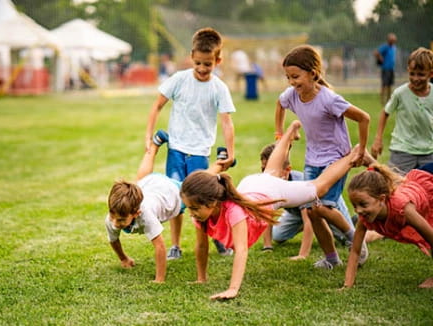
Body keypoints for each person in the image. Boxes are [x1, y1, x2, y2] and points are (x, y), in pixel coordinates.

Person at [181, 121, 362, 300]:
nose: (191, 213)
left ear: (213, 202)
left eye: (194, 208)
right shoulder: (201, 215)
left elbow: (242, 250)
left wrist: (233, 289)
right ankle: (291, 130)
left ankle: (353, 155)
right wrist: (201, 278)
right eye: (189, 208)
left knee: (319, 188)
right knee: (271, 171)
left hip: (268, 191)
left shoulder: (233, 212)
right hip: (251, 185)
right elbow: (202, 246)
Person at [274, 45, 370, 270]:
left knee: (322, 207)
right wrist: (279, 133)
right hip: (312, 160)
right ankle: (331, 259)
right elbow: (279, 104)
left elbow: (364, 118)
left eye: (296, 76)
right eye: (288, 77)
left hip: (336, 158)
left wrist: (362, 150)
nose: (291, 82)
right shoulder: (292, 95)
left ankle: (354, 239)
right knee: (310, 210)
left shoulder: (329, 99)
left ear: (313, 73)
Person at [145, 27, 236, 259]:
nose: (202, 69)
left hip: (199, 153)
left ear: (218, 60)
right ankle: (175, 245)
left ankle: (215, 238)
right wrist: (148, 138)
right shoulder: (179, 80)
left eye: (208, 64)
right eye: (198, 63)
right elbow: (156, 106)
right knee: (175, 198)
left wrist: (231, 152)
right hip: (176, 150)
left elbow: (226, 122)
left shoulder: (219, 88)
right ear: (191, 57)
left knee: (205, 199)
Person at [105, 131, 191, 283]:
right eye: (113, 217)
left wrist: (159, 279)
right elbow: (113, 240)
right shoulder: (114, 216)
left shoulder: (146, 214)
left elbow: (160, 246)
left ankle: (218, 167)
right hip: (151, 185)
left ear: (136, 213)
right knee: (141, 180)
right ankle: (155, 144)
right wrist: (123, 259)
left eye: (120, 220)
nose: (115, 223)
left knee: (197, 187)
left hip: (172, 193)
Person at [343, 156, 433, 289]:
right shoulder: (364, 217)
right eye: (354, 205)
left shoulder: (404, 210)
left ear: (381, 199)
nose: (358, 211)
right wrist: (347, 285)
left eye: (363, 204)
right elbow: (355, 251)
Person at [259, 143, 355, 260]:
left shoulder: (299, 185)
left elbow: (308, 220)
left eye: (271, 170)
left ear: (287, 170)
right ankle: (312, 226)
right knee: (278, 235)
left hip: (326, 207)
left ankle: (376, 233)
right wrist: (267, 246)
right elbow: (267, 214)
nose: (266, 173)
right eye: (263, 169)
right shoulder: (268, 184)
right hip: (297, 213)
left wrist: (302, 255)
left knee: (347, 239)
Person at [371, 47, 433, 174]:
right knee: (396, 186)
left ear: (431, 74)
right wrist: (378, 139)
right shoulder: (401, 93)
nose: (415, 78)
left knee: (428, 188)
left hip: (428, 151)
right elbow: (385, 112)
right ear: (408, 70)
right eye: (412, 74)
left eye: (421, 74)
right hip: (402, 150)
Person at [374, 33, 398, 105]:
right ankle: (382, 101)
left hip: (391, 68)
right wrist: (380, 59)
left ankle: (388, 100)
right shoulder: (385, 47)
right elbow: (376, 52)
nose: (393, 41)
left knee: (390, 85)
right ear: (388, 40)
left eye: (394, 40)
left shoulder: (394, 47)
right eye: (391, 40)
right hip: (385, 68)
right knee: (384, 85)